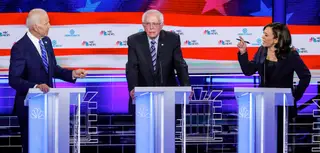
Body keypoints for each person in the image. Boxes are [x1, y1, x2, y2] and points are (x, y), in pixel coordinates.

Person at [8, 8, 87, 153]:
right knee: (33, 145)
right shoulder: (20, 47)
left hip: (49, 103)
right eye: (46, 23)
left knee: (50, 145)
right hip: (30, 106)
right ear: (36, 27)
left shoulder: (46, 42)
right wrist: (36, 86)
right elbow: (14, 80)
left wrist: (73, 74)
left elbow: (53, 68)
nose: (49, 26)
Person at [237, 22, 311, 153]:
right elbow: (249, 71)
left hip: (281, 105)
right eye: (263, 34)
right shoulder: (261, 50)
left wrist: (294, 96)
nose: (262, 37)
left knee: (277, 141)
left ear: (276, 39)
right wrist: (243, 53)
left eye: (266, 35)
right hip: (262, 105)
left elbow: (305, 76)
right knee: (260, 141)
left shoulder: (291, 55)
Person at [125, 9, 190, 114]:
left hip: (168, 91)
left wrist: (186, 86)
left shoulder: (172, 39)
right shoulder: (134, 40)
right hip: (143, 93)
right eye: (148, 24)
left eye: (155, 24)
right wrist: (133, 88)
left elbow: (180, 65)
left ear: (161, 25)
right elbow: (132, 67)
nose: (151, 27)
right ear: (143, 25)